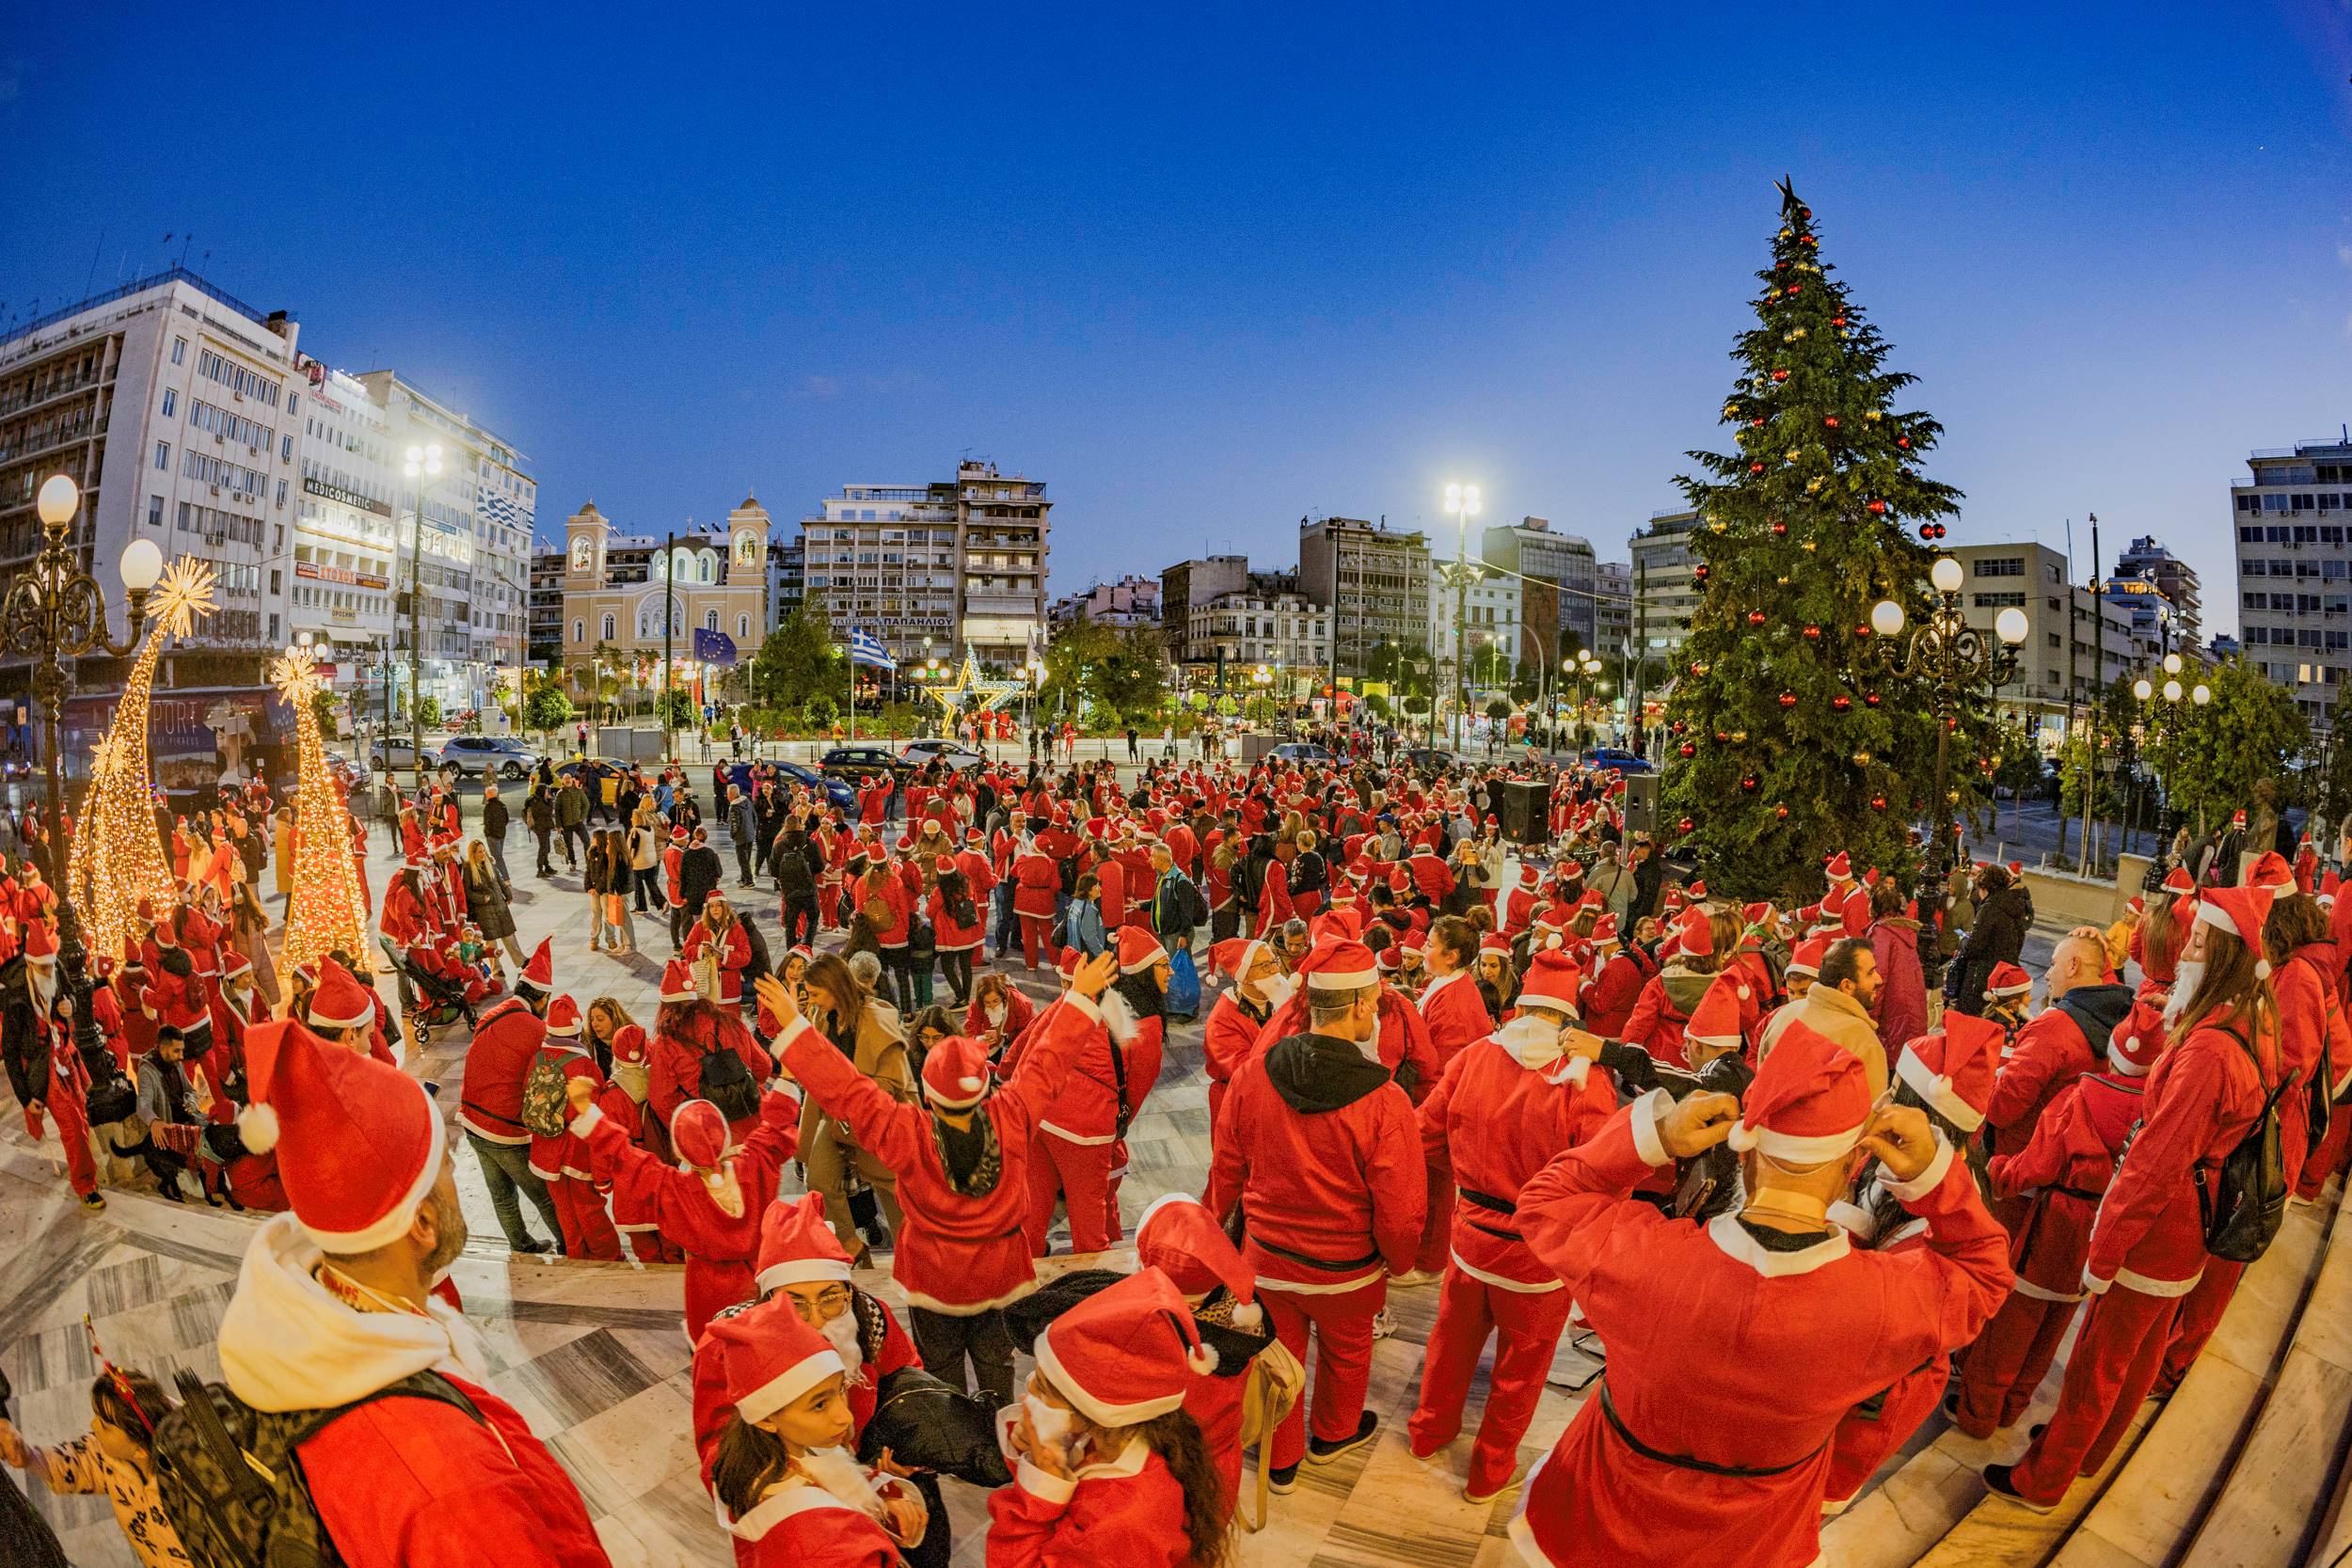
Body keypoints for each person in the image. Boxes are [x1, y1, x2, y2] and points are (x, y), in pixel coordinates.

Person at [1508, 1021, 2009, 1566]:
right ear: (1850, 1171)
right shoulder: (1886, 1303)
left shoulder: (1643, 1259)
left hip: (1601, 1513)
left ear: (1744, 1157)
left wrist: (1658, 1137)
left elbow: (1545, 1201)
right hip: (1757, 1539)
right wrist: (1937, 1180)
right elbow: (1985, 1272)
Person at [217, 1017, 612, 1567]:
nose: (459, 1171)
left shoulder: (321, 1347)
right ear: (421, 1224)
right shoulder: (452, 1492)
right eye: (447, 1164)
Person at [1987, 882, 2284, 1510]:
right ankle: (2089, 1450)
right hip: (2192, 1229)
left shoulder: (2206, 1049)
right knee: (2141, 1352)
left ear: (2225, 953)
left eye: (2199, 942)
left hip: (2158, 1231)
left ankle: (2044, 1479)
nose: (2186, 955)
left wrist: (2106, 1247)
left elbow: (2155, 1161)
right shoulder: (2249, 1019)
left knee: (2100, 1361)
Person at [764, 952, 1114, 1409]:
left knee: (941, 1368)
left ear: (927, 1091)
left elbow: (845, 1090)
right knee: (996, 1364)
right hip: (999, 1275)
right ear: (983, 1085)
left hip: (932, 1280)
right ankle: (995, 1430)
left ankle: (952, 1436)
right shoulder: (1012, 1116)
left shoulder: (906, 1132)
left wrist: (795, 1028)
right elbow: (1046, 1064)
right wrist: (1081, 998)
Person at [1205, 932, 1423, 1491]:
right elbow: (1401, 1212)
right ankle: (1333, 1436)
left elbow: (1226, 1166)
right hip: (1347, 1271)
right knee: (1348, 1358)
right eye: (1374, 1000)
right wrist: (1397, 1264)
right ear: (1356, 1006)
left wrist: (1215, 1236)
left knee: (1278, 1359)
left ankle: (1281, 1462)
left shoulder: (1255, 1075)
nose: (1377, 1010)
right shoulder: (1386, 1101)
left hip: (1269, 1259)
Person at [1409, 945, 1614, 1503]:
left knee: (1449, 1345)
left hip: (1470, 1241)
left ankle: (1428, 1434)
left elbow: (1422, 1134)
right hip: (1538, 1258)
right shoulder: (1585, 1081)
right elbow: (1603, 1179)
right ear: (1569, 1017)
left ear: (1521, 1004)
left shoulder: (1474, 1057)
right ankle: (1489, 1471)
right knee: (1520, 1372)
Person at [990, 1270, 1232, 1568]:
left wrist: (1037, 1494)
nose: (1029, 1390)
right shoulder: (1129, 1434)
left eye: (1043, 1384)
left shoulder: (1118, 1524)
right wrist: (1041, 1458)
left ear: (1089, 1408)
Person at [704, 1298, 927, 1565]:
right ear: (766, 1419)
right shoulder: (829, 1547)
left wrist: (879, 1502)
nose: (845, 1416)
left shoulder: (762, 1453)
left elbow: (825, 1478)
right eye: (820, 1404)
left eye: (840, 1390)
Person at [0, 1362, 188, 1568]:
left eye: (105, 1426)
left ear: (139, 1450)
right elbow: (75, 1463)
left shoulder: (187, 1485)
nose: (93, 1425)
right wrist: (29, 1457)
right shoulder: (108, 1456)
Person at [793, 953, 916, 1264]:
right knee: (819, 1180)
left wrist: (853, 1102)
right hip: (835, 1115)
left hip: (878, 1117)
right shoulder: (824, 1017)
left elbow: (892, 1082)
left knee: (893, 1192)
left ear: (835, 987)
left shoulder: (875, 1018)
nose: (813, 1001)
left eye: (817, 994)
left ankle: (914, 1258)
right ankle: (851, 1246)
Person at [459, 939, 563, 1254]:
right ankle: (570, 1247)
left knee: (501, 1194)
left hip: (470, 1118)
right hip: (502, 1128)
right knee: (543, 1195)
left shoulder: (494, 1013)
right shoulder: (536, 1029)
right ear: (542, 998)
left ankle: (521, 1245)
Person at [1947, 863, 2030, 1016]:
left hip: (1980, 977)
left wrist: (1964, 940)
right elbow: (2019, 941)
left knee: (1969, 1020)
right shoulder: (2015, 907)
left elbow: (1973, 946)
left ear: (1984, 888)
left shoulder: (1989, 908)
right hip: (2002, 978)